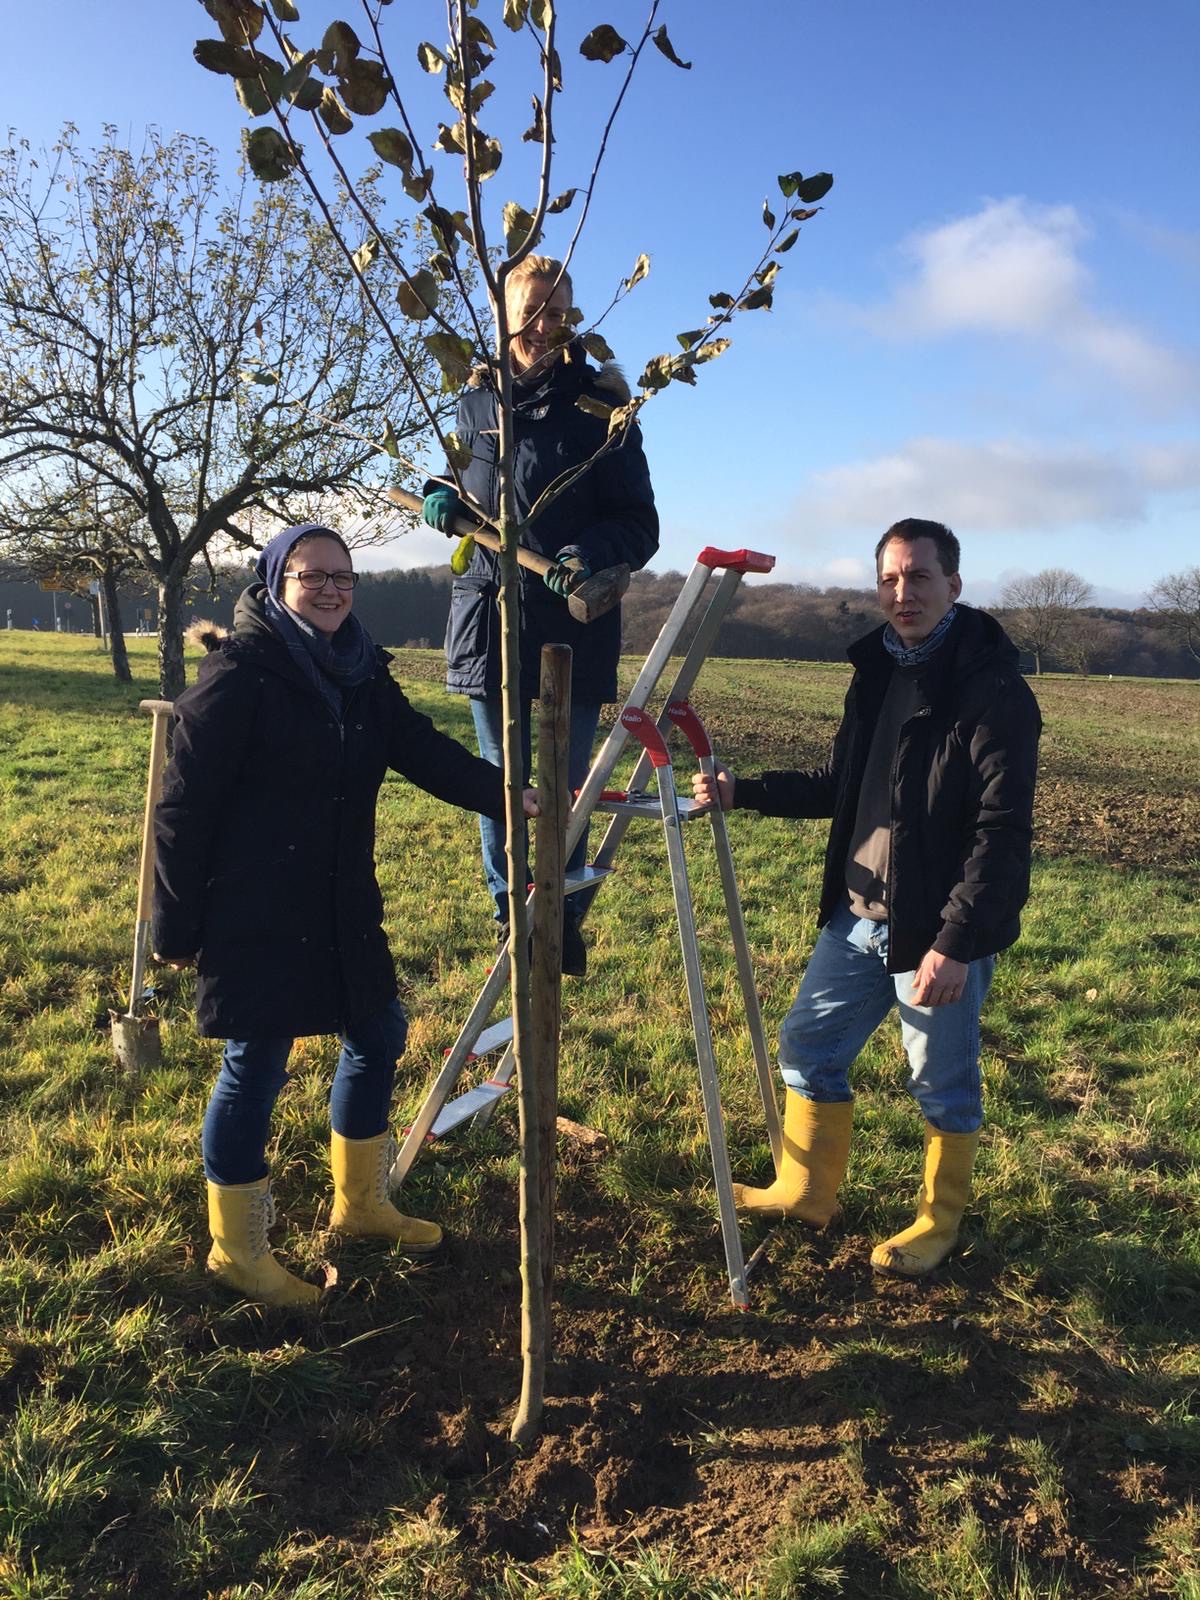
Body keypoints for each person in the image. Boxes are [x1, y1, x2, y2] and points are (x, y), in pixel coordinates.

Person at [152, 523, 538, 1309]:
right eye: (311, 575)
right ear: (275, 583)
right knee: (255, 1065)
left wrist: (511, 796)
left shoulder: (361, 672)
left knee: (379, 1030)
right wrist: (175, 928)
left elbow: (424, 751)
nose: (330, 589)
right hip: (252, 906)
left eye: (343, 577)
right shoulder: (240, 675)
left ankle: (359, 1206)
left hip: (339, 895)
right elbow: (180, 810)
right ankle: (238, 1251)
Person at [693, 519, 1041, 1277]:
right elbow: (840, 786)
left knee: (941, 1086)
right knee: (808, 1048)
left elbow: (1002, 832)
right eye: (889, 578)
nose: (902, 592)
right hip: (857, 917)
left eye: (918, 577)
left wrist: (955, 940)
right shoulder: (877, 671)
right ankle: (805, 1192)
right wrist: (740, 790)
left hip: (934, 929)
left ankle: (937, 1224)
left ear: (954, 584)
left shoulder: (993, 690)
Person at [422, 255, 659, 976]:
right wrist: (440, 493)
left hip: (572, 628)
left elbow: (639, 523)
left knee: (561, 786)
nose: (547, 326)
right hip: (488, 624)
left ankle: (557, 915)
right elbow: (460, 482)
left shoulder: (601, 406)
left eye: (560, 313)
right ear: (504, 316)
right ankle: (509, 915)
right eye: (533, 311)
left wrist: (590, 551)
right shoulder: (471, 403)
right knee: (502, 784)